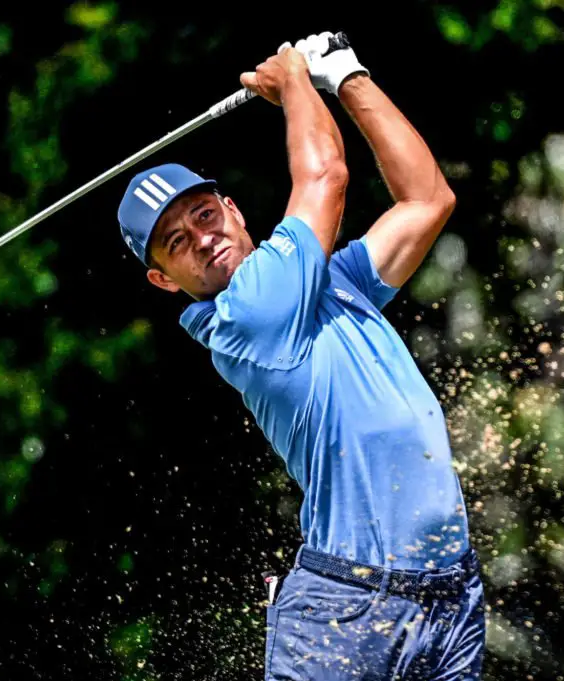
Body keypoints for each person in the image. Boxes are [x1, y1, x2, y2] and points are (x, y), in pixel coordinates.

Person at [116, 32, 485, 681]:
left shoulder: (331, 282)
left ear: (231, 209)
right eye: (175, 242)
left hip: (450, 597)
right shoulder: (247, 316)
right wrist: (293, 78)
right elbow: (326, 175)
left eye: (203, 214)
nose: (201, 238)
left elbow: (428, 200)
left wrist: (346, 74)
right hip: (350, 606)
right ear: (164, 280)